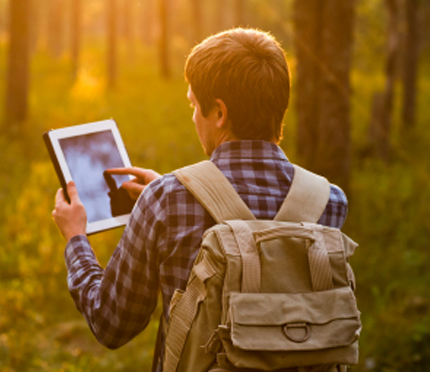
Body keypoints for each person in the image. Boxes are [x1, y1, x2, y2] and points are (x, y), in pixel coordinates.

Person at [52, 28, 348, 371]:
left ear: (219, 113)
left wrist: (76, 239)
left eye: (194, 104)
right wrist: (170, 192)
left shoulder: (166, 199)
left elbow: (112, 323)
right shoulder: (329, 200)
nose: (193, 116)